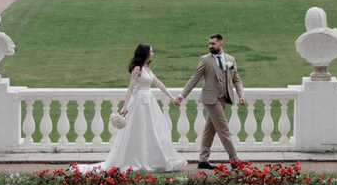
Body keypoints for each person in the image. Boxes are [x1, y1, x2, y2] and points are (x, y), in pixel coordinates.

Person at [75, 44, 187, 174]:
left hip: (148, 101)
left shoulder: (147, 67)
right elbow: (131, 88)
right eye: (151, 52)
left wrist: (172, 97)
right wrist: (125, 106)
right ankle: (136, 159)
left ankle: (151, 159)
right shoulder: (137, 68)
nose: (153, 54)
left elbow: (157, 83)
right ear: (145, 53)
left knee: (152, 130)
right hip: (140, 102)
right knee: (140, 130)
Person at [180, 33, 244, 169]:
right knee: (224, 130)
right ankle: (234, 160)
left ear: (221, 44)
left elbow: (236, 79)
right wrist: (182, 95)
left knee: (209, 131)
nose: (210, 46)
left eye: (213, 44)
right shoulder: (205, 60)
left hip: (223, 98)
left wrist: (241, 95)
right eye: (209, 44)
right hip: (211, 99)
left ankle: (203, 160)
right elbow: (195, 78)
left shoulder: (230, 59)